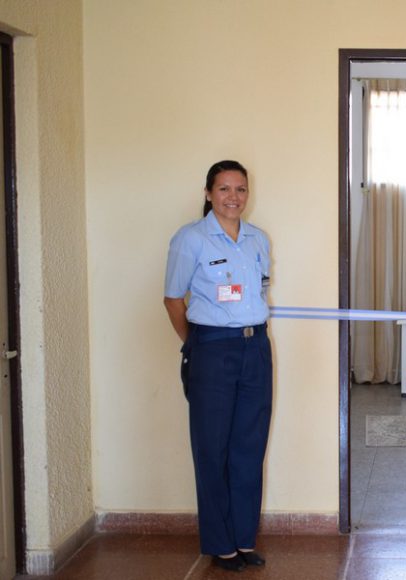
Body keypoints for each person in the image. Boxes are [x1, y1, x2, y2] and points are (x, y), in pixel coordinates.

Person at [164, 160, 273, 572]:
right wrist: (195, 345)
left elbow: (257, 292)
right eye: (225, 189)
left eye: (241, 189)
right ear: (209, 193)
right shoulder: (191, 239)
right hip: (211, 349)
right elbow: (173, 300)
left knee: (249, 447)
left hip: (255, 349)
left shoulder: (258, 240)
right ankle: (220, 543)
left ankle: (244, 538)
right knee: (212, 448)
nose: (233, 197)